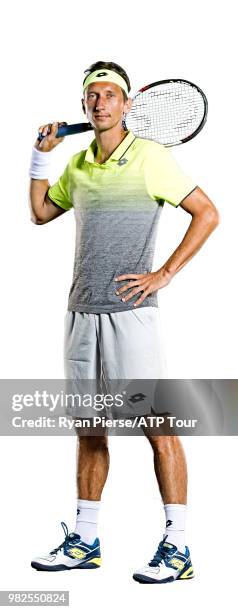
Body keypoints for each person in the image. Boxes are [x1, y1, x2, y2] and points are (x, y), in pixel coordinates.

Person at [29, 61, 219, 583]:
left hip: (131, 316)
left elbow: (207, 212)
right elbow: (41, 213)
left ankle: (178, 548)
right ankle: (85, 541)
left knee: (157, 427)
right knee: (89, 429)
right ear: (85, 103)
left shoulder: (152, 158)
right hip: (81, 314)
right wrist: (39, 158)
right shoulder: (79, 164)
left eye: (110, 95)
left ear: (128, 103)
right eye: (92, 96)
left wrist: (164, 274)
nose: (99, 103)